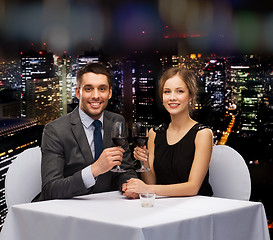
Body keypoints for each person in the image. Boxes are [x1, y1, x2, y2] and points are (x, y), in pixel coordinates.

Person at [34, 63, 137, 201]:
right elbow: (50, 189)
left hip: (108, 209)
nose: (96, 96)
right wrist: (94, 170)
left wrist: (129, 185)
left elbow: (125, 170)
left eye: (102, 89)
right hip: (67, 213)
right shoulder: (55, 130)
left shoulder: (117, 121)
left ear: (110, 93)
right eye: (88, 89)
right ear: (78, 92)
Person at [123, 67, 213, 197]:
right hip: (164, 206)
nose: (172, 97)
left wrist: (147, 189)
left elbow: (192, 188)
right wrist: (144, 161)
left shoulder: (203, 134)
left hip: (197, 207)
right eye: (167, 92)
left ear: (191, 96)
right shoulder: (154, 133)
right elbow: (151, 182)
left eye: (180, 91)